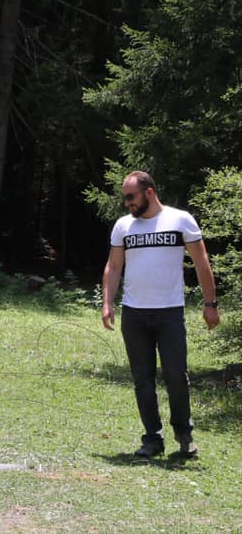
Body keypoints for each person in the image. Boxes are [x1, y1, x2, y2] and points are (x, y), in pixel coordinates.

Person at [101, 170, 219, 458]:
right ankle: (152, 439)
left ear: (150, 192)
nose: (127, 202)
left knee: (176, 375)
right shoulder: (123, 226)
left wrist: (210, 304)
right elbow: (114, 266)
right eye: (125, 198)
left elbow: (201, 262)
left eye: (131, 196)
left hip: (169, 313)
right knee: (142, 379)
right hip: (134, 314)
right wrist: (107, 303)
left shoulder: (180, 220)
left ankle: (184, 436)